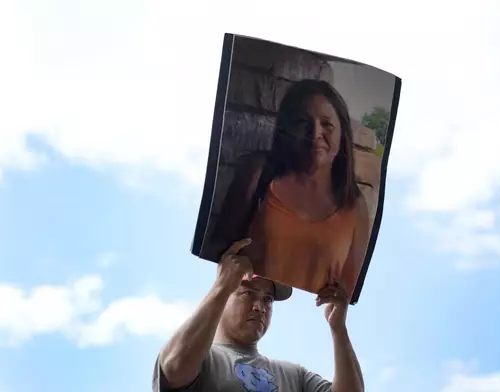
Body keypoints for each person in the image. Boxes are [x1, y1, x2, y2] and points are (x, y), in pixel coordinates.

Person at [207, 79, 371, 298]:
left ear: (343, 133)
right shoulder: (259, 175)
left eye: (327, 124)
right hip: (249, 307)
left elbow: (347, 295)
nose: (315, 134)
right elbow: (216, 250)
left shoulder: (355, 207)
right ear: (287, 128)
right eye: (303, 122)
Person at [153, 238, 365, 392]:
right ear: (225, 295)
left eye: (268, 299)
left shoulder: (294, 376)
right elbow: (174, 366)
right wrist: (221, 287)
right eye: (248, 293)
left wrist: (338, 329)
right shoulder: (204, 359)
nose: (259, 306)